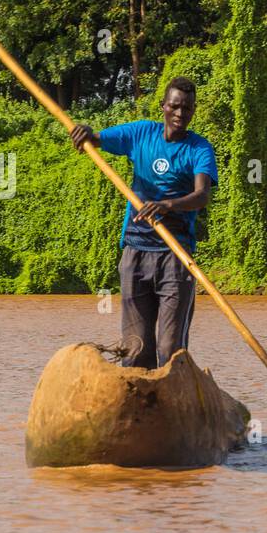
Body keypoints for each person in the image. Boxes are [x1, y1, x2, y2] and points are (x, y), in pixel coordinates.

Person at [70, 77, 217, 369]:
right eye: (174, 106)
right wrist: (85, 132)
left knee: (170, 348)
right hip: (135, 252)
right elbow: (97, 139)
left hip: (176, 256)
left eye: (186, 108)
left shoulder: (199, 148)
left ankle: (176, 405)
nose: (179, 114)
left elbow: (202, 196)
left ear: (193, 111)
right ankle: (141, 407)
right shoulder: (141, 134)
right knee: (135, 349)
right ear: (163, 106)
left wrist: (167, 205)